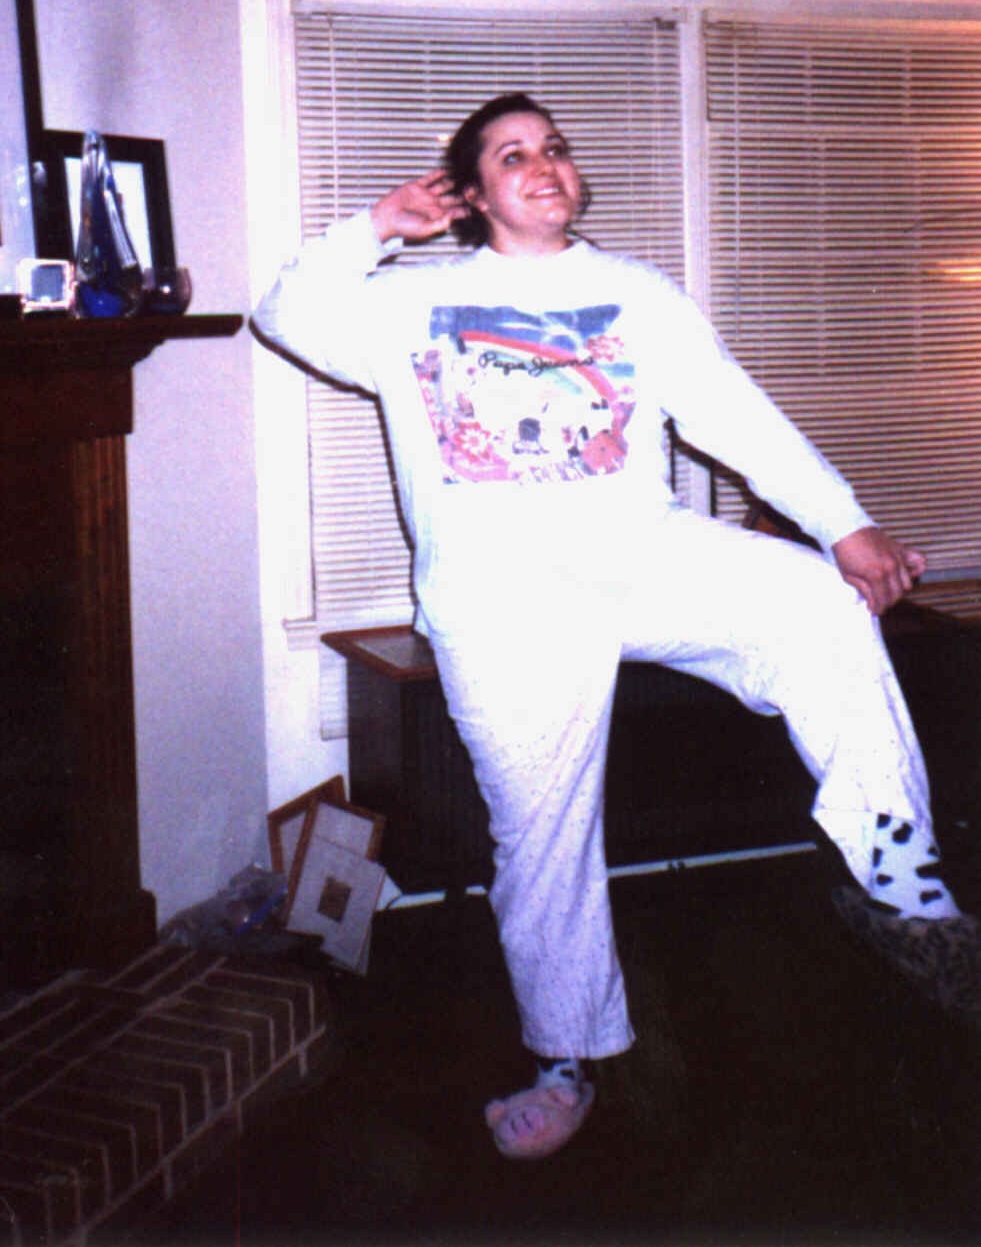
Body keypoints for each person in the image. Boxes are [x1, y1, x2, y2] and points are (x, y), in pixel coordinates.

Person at [253, 93, 974, 1160]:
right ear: (472, 195)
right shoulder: (409, 303)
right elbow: (284, 316)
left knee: (820, 604)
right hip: (501, 603)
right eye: (511, 155)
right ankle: (565, 1058)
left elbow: (734, 414)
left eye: (553, 147)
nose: (542, 163)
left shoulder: (637, 294)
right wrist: (371, 229)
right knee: (542, 838)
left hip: (643, 558)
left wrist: (844, 524)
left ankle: (903, 889)